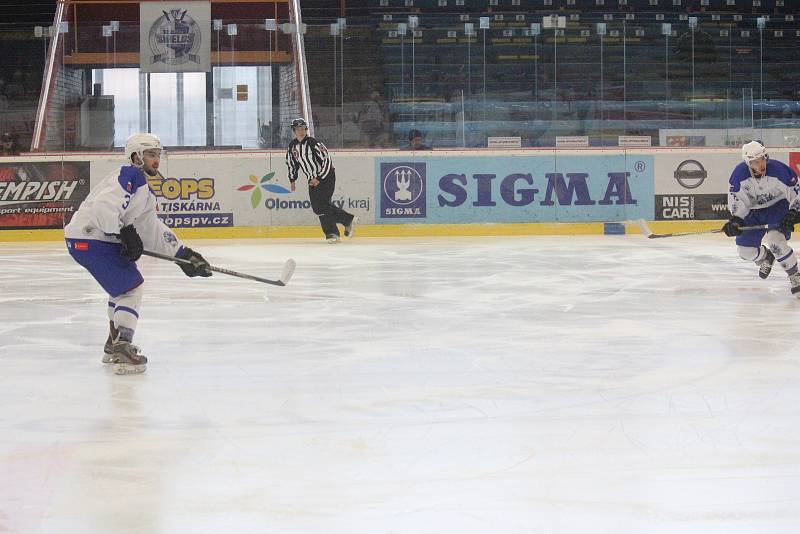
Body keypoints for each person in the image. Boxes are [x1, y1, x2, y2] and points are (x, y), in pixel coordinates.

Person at [64, 133, 212, 374]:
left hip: (91, 240)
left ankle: (113, 345)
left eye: (158, 155)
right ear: (136, 156)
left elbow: (151, 229)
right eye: (151, 155)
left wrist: (184, 255)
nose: (156, 160)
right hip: (91, 238)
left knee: (123, 289)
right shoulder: (129, 175)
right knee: (131, 288)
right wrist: (122, 232)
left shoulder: (142, 189)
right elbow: (104, 207)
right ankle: (122, 348)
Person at [723, 141, 800, 296]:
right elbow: (738, 201)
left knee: (775, 241)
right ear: (748, 163)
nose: (760, 164)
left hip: (778, 207)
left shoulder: (780, 170)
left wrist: (794, 212)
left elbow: (796, 192)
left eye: (762, 159)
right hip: (754, 211)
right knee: (745, 252)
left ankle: (795, 276)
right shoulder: (739, 175)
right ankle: (766, 256)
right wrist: (736, 220)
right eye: (755, 162)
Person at [285, 118, 356, 243]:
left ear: (306, 130)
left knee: (321, 206)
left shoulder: (313, 143)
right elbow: (291, 163)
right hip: (312, 180)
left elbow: (327, 160)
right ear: (294, 131)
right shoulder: (292, 146)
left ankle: (332, 233)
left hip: (326, 176)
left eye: (303, 129)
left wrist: (320, 178)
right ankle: (347, 220)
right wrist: (292, 179)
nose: (301, 132)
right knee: (318, 208)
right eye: (298, 129)